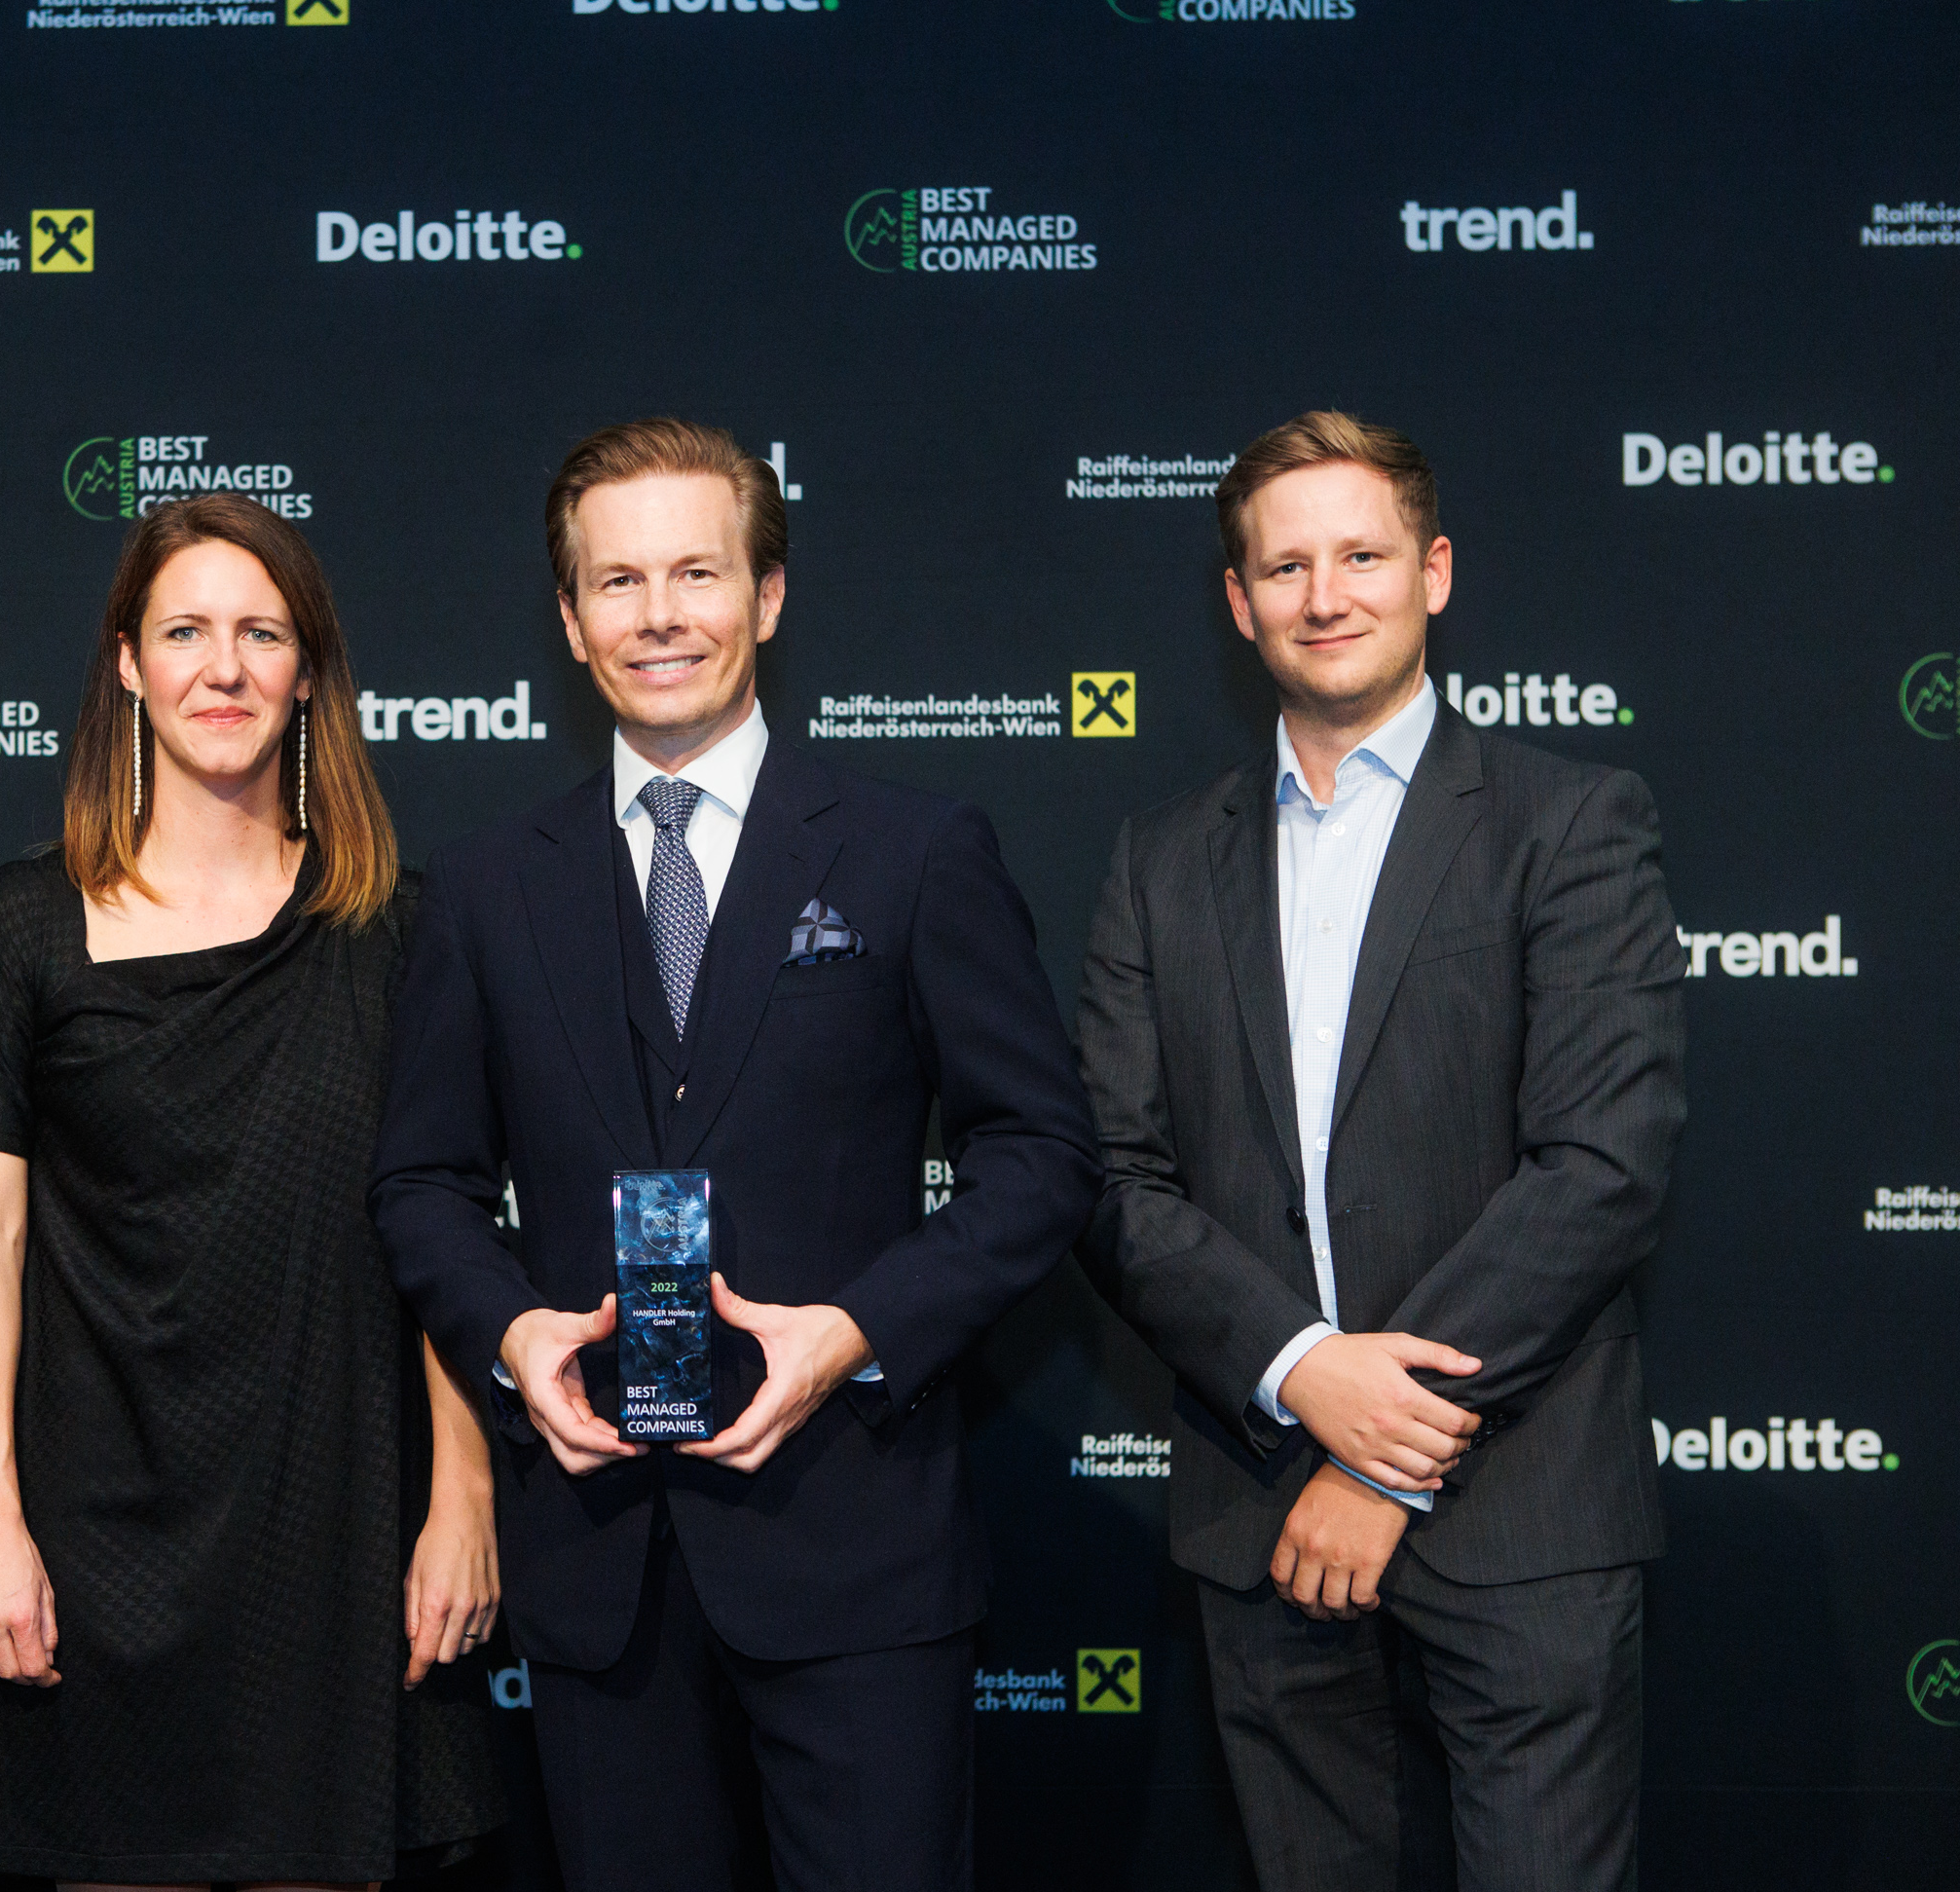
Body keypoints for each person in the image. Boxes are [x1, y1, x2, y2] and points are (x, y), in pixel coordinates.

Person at [370, 419, 1101, 1892]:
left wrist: (857, 1331)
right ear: (570, 621)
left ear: (767, 596)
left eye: (696, 574)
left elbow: (1040, 1155)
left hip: (857, 1549)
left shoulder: (912, 851)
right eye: (619, 582)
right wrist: (512, 1334)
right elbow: (423, 1182)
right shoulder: (484, 889)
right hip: (597, 1569)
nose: (660, 616)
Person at [1075, 411, 1684, 1891]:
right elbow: (1112, 1176)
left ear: (1436, 572)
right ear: (1239, 603)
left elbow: (1601, 1166)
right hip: (1261, 1504)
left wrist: (1388, 1452)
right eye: (1286, 567)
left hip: (1522, 1511)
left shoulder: (1571, 822)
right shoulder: (1160, 862)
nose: (1325, 594)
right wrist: (1302, 1372)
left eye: (1362, 555)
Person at [0, 493, 506, 1889]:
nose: (222, 668)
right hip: (93, 1539)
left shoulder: (396, 929)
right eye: (183, 632)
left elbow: (444, 1227)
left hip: (338, 1530)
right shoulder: (19, 926)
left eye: (261, 633)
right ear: (128, 663)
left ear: (309, 671)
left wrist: (466, 1498)